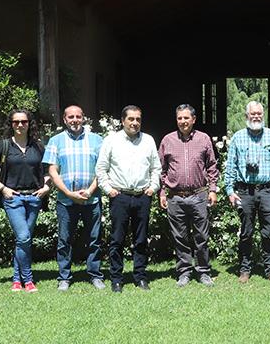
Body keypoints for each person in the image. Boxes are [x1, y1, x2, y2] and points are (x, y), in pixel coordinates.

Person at [0, 109, 51, 293]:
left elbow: (46, 171)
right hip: (13, 199)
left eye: (24, 121)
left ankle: (16, 279)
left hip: (34, 199)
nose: (20, 125)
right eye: (16, 122)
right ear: (11, 124)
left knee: (24, 240)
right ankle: (27, 280)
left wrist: (46, 187)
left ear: (29, 124)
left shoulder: (37, 146)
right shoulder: (3, 146)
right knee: (23, 237)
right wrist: (3, 189)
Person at [96, 105, 160, 293]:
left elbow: (156, 168)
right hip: (120, 196)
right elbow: (101, 168)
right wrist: (108, 189)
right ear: (123, 121)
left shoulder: (148, 141)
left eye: (138, 119)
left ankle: (140, 276)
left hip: (142, 196)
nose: (134, 122)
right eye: (131, 119)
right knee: (117, 239)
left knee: (141, 239)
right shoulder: (111, 141)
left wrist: (153, 188)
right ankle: (116, 278)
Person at [224, 101, 270, 285]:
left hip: (267, 190)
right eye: (252, 114)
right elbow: (230, 167)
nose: (256, 117)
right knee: (246, 232)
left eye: (259, 113)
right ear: (246, 116)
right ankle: (245, 269)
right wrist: (230, 190)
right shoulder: (238, 137)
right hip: (245, 191)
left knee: (268, 232)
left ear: (263, 115)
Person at [43, 105, 105, 291]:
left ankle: (95, 275)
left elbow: (102, 168)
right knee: (64, 240)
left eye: (78, 116)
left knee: (94, 239)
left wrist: (91, 190)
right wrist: (69, 193)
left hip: (91, 199)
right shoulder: (56, 141)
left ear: (83, 118)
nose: (75, 120)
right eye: (71, 117)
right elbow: (53, 171)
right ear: (64, 119)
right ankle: (64, 277)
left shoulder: (97, 140)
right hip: (65, 200)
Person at [158, 104, 219, 287]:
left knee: (201, 236)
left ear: (194, 119)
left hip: (198, 195)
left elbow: (212, 166)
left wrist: (213, 189)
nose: (183, 122)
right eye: (180, 118)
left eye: (186, 118)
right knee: (180, 237)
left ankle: (203, 271)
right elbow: (161, 169)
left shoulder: (203, 139)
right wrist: (162, 192)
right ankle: (184, 271)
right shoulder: (167, 140)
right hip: (175, 197)